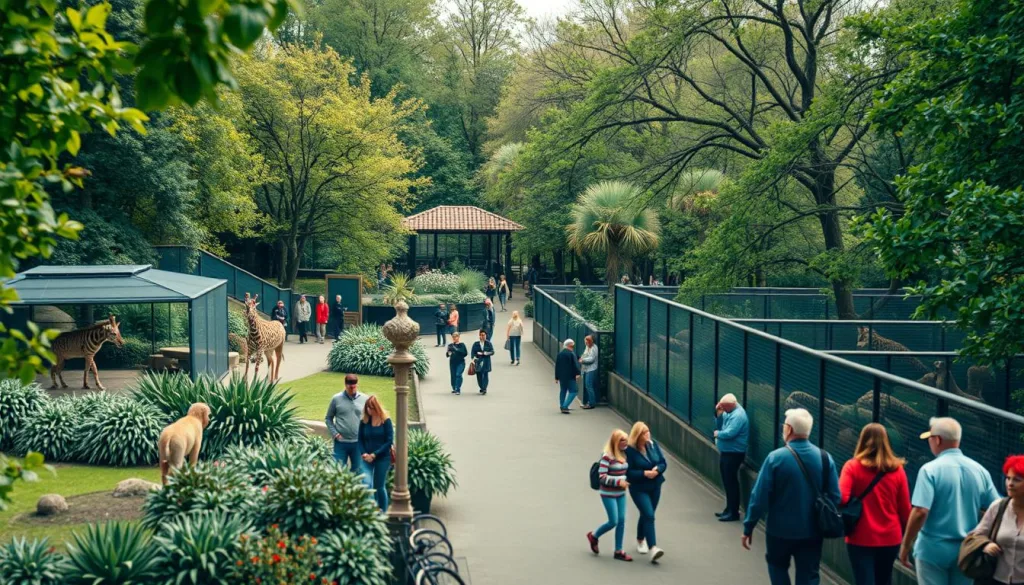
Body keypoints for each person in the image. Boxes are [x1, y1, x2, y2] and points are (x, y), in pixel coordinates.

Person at [742, 408, 840, 585]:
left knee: (777, 567)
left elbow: (759, 497)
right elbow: (835, 496)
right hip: (812, 531)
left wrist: (749, 526)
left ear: (789, 429)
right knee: (809, 574)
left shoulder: (775, 459)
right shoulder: (826, 459)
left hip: (779, 531)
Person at [900, 417, 999, 585]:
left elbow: (920, 511)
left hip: (932, 550)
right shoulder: (980, 471)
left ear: (937, 439)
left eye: (930, 438)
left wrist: (905, 545)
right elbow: (997, 508)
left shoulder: (929, 470)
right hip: (966, 550)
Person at [839, 423, 910, 585]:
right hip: (891, 538)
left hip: (860, 537)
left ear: (861, 441)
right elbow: (905, 509)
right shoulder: (897, 470)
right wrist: (906, 537)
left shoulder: (852, 467)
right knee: (884, 580)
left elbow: (842, 498)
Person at [970, 455, 1024, 585]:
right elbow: (975, 536)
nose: (1010, 484)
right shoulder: (998, 507)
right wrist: (986, 544)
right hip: (995, 579)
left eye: (1017, 480)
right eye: (1008, 478)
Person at [587, 429, 633, 562]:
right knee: (613, 521)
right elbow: (602, 477)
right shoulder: (607, 457)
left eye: (626, 440)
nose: (626, 443)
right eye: (623, 440)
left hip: (621, 493)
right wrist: (618, 481)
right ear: (616, 442)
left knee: (622, 520)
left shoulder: (625, 455)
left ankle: (619, 550)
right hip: (608, 493)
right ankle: (594, 536)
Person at [625, 421, 667, 563]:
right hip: (639, 488)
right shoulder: (630, 451)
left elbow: (662, 462)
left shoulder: (652, 445)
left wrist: (657, 470)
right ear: (638, 435)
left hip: (655, 485)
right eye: (644, 432)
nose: (648, 434)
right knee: (649, 515)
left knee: (647, 514)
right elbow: (628, 472)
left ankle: (640, 539)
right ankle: (653, 547)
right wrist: (644, 473)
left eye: (648, 431)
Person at [714, 393, 749, 522]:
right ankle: (729, 508)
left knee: (731, 481)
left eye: (724, 407)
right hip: (727, 451)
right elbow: (720, 424)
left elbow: (730, 432)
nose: (723, 410)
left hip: (734, 453)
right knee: (727, 481)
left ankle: (733, 512)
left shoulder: (738, 416)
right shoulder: (729, 411)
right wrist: (718, 414)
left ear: (731, 405)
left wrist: (718, 434)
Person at [325, 374, 370, 476]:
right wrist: (335, 434)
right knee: (338, 472)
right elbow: (328, 418)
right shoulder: (336, 399)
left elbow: (369, 419)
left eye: (354, 387)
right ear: (345, 385)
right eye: (350, 387)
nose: (352, 389)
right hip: (341, 443)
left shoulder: (365, 399)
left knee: (358, 471)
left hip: (358, 443)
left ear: (357, 385)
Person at [358, 395, 393, 511]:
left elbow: (389, 441)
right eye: (367, 408)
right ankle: (371, 510)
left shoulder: (386, 421)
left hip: (382, 458)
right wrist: (364, 454)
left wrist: (374, 454)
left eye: (372, 408)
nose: (369, 410)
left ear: (377, 408)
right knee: (367, 483)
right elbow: (360, 440)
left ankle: (383, 512)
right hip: (366, 458)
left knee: (379, 486)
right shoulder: (364, 422)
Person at [554, 339, 581, 414]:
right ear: (570, 346)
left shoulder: (560, 354)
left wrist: (556, 377)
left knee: (563, 390)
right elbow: (575, 365)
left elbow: (557, 366)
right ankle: (565, 406)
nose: (573, 347)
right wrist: (578, 373)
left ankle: (562, 405)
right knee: (574, 391)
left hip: (562, 376)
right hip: (570, 376)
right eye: (572, 346)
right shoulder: (571, 354)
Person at [470, 329, 494, 394]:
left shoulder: (488, 343)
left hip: (486, 361)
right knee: (479, 375)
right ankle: (481, 387)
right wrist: (473, 358)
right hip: (478, 361)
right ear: (479, 336)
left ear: (486, 336)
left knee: (485, 374)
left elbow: (492, 352)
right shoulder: (476, 344)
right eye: (481, 335)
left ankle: (484, 388)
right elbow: (472, 352)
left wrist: (486, 353)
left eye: (483, 335)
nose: (482, 337)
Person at [579, 336, 599, 409]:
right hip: (586, 368)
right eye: (585, 341)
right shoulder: (587, 347)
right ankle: (589, 402)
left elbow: (592, 359)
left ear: (591, 341)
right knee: (588, 385)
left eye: (587, 341)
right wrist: (582, 357)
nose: (586, 342)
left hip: (591, 369)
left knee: (589, 385)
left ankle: (591, 403)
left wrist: (583, 360)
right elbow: (585, 354)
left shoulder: (594, 348)